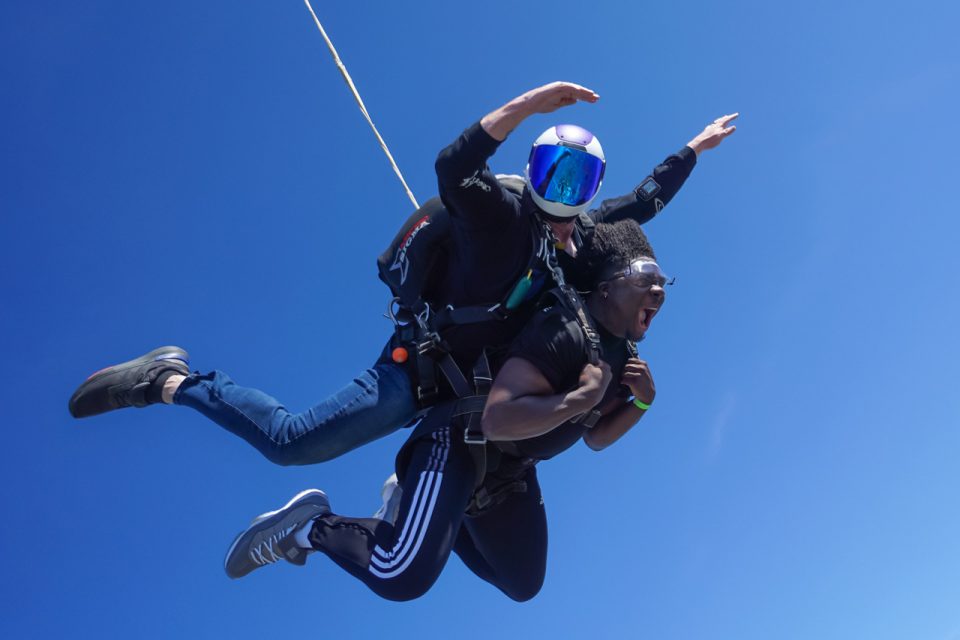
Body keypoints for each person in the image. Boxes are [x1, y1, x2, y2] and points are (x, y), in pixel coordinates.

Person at [68, 82, 735, 469]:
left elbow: (646, 199)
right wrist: (525, 106)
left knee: (495, 474)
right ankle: (172, 380)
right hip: (414, 368)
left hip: (471, 394)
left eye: (579, 182)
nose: (566, 195)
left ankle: (403, 504)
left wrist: (694, 148)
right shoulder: (499, 214)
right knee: (292, 445)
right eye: (553, 177)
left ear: (591, 190)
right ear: (532, 178)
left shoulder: (582, 232)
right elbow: (454, 169)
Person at [223, 219, 666, 602]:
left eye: (665, 281)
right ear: (607, 286)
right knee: (400, 573)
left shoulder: (623, 356)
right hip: (460, 439)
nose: (659, 290)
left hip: (506, 476)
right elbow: (498, 417)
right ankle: (309, 527)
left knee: (522, 581)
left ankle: (422, 505)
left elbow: (595, 436)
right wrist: (577, 399)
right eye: (647, 276)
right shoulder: (566, 328)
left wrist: (642, 402)